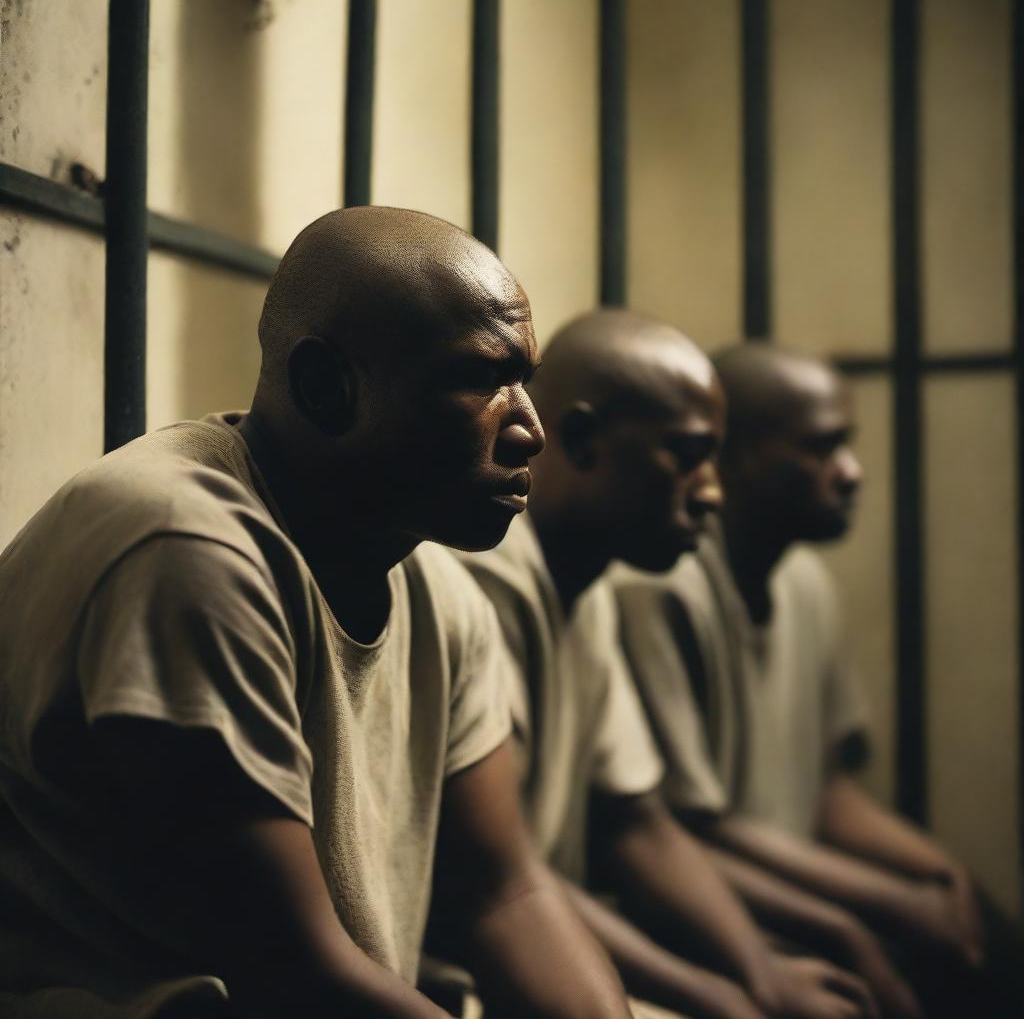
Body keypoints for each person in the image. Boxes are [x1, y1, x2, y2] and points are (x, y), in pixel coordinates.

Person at [0, 207, 634, 1019]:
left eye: (527, 381)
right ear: (326, 387)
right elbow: (292, 976)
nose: (530, 430)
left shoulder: (443, 597)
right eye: (481, 379)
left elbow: (504, 898)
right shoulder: (184, 549)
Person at [455, 310, 878, 1019]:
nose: (712, 492)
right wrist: (730, 994)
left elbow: (639, 824)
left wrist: (762, 974)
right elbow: (501, 889)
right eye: (686, 456)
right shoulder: (490, 581)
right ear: (583, 440)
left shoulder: (587, 592)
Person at [614, 343, 1021, 1018]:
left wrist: (939, 875)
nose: (852, 473)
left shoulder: (804, 581)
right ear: (735, 457)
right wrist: (882, 906)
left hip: (776, 883)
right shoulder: (662, 588)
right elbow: (688, 829)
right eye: (821, 448)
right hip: (705, 901)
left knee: (980, 930)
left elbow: (830, 790)